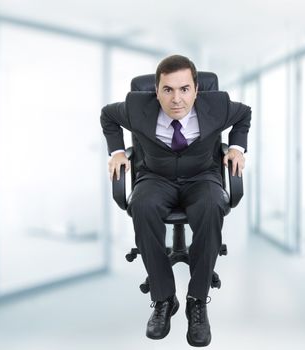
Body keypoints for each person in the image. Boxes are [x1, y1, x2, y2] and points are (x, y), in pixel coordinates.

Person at [100, 54, 251, 347]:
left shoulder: (218, 105)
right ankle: (164, 299)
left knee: (211, 205)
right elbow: (107, 115)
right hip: (156, 178)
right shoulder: (135, 107)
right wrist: (117, 151)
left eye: (184, 89)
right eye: (168, 89)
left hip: (201, 177)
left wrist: (236, 147)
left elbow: (244, 114)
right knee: (142, 205)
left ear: (197, 89)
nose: (177, 99)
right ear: (156, 91)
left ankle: (197, 301)